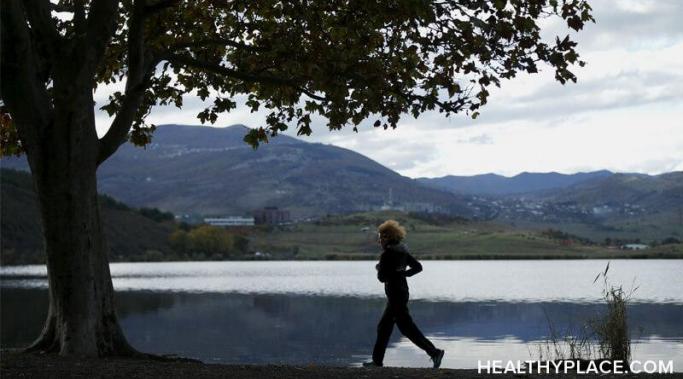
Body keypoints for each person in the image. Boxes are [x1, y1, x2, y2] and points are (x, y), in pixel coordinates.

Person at [363, 220, 445, 368]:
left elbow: (382, 278)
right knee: (391, 327)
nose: (379, 240)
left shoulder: (387, 254)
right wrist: (404, 274)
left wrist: (380, 268)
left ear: (388, 237)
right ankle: (377, 361)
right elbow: (418, 267)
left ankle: (434, 352)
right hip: (402, 294)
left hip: (395, 296)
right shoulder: (402, 252)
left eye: (381, 237)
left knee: (400, 328)